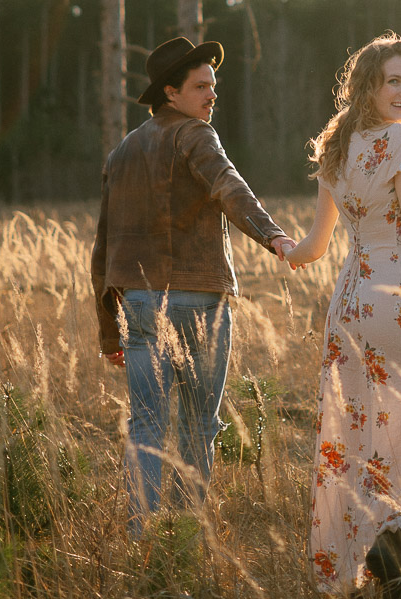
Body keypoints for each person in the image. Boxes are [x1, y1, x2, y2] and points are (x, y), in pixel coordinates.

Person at [91, 36, 295, 533]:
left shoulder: (121, 152)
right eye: (201, 86)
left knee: (146, 425)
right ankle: (185, 539)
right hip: (196, 298)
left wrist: (107, 331)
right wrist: (275, 236)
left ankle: (142, 538)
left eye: (214, 86)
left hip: (135, 303)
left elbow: (102, 248)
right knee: (199, 426)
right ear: (170, 92)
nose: (212, 96)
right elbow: (229, 186)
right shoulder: (196, 135)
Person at [283, 33, 401, 599]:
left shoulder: (338, 147)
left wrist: (276, 244)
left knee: (359, 432)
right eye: (393, 81)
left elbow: (313, 246)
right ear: (369, 86)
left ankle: (365, 556)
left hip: (351, 306)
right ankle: (390, 542)